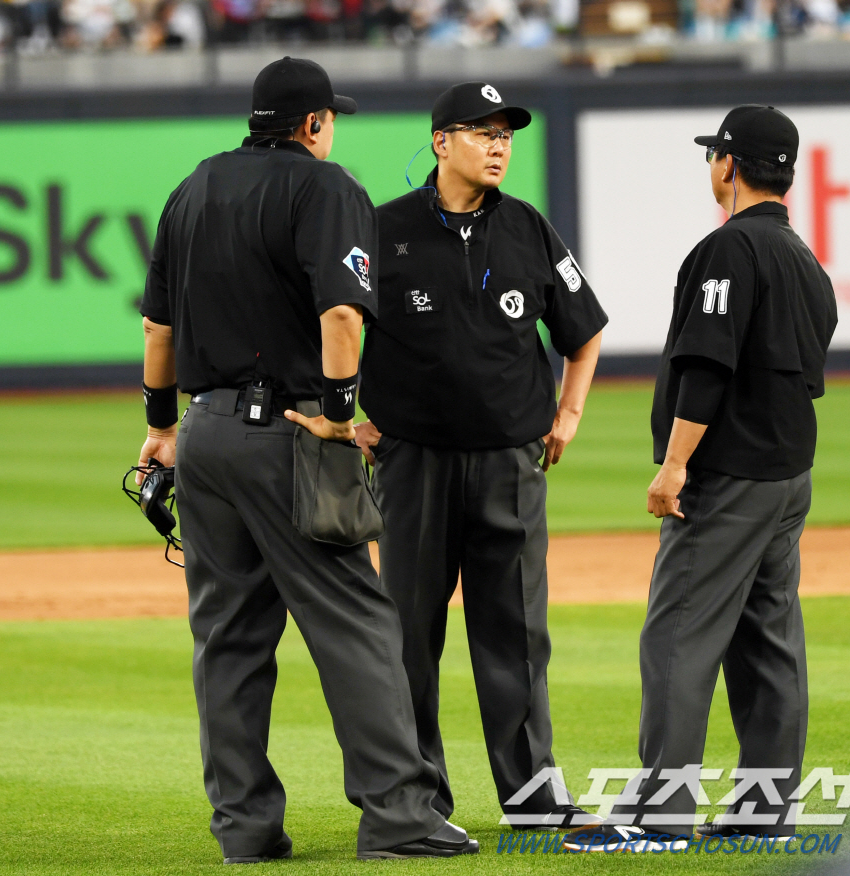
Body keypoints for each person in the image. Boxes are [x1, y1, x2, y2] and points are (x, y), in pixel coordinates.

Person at [136, 56, 477, 862]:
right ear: (314, 123)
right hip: (287, 433)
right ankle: (400, 818)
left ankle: (245, 829)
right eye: (331, 120)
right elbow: (343, 316)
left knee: (227, 637)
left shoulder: (192, 188)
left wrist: (160, 427)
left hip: (204, 434)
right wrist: (338, 415)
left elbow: (157, 329)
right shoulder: (325, 188)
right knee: (357, 623)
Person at [563, 105, 838, 851]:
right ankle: (764, 815)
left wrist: (676, 463)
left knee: (677, 635)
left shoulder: (729, 249)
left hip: (728, 476)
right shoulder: (804, 259)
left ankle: (659, 818)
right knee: (768, 641)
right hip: (788, 476)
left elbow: (709, 366)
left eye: (714, 154)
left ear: (730, 164)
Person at [355, 81, 607, 831]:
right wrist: (346, 417)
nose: (499, 146)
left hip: (509, 463)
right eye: (482, 132)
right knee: (408, 637)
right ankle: (416, 805)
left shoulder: (529, 228)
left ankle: (535, 803)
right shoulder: (383, 228)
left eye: (507, 135)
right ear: (441, 142)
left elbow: (585, 330)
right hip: (413, 463)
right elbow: (328, 322)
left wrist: (568, 413)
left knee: (517, 636)